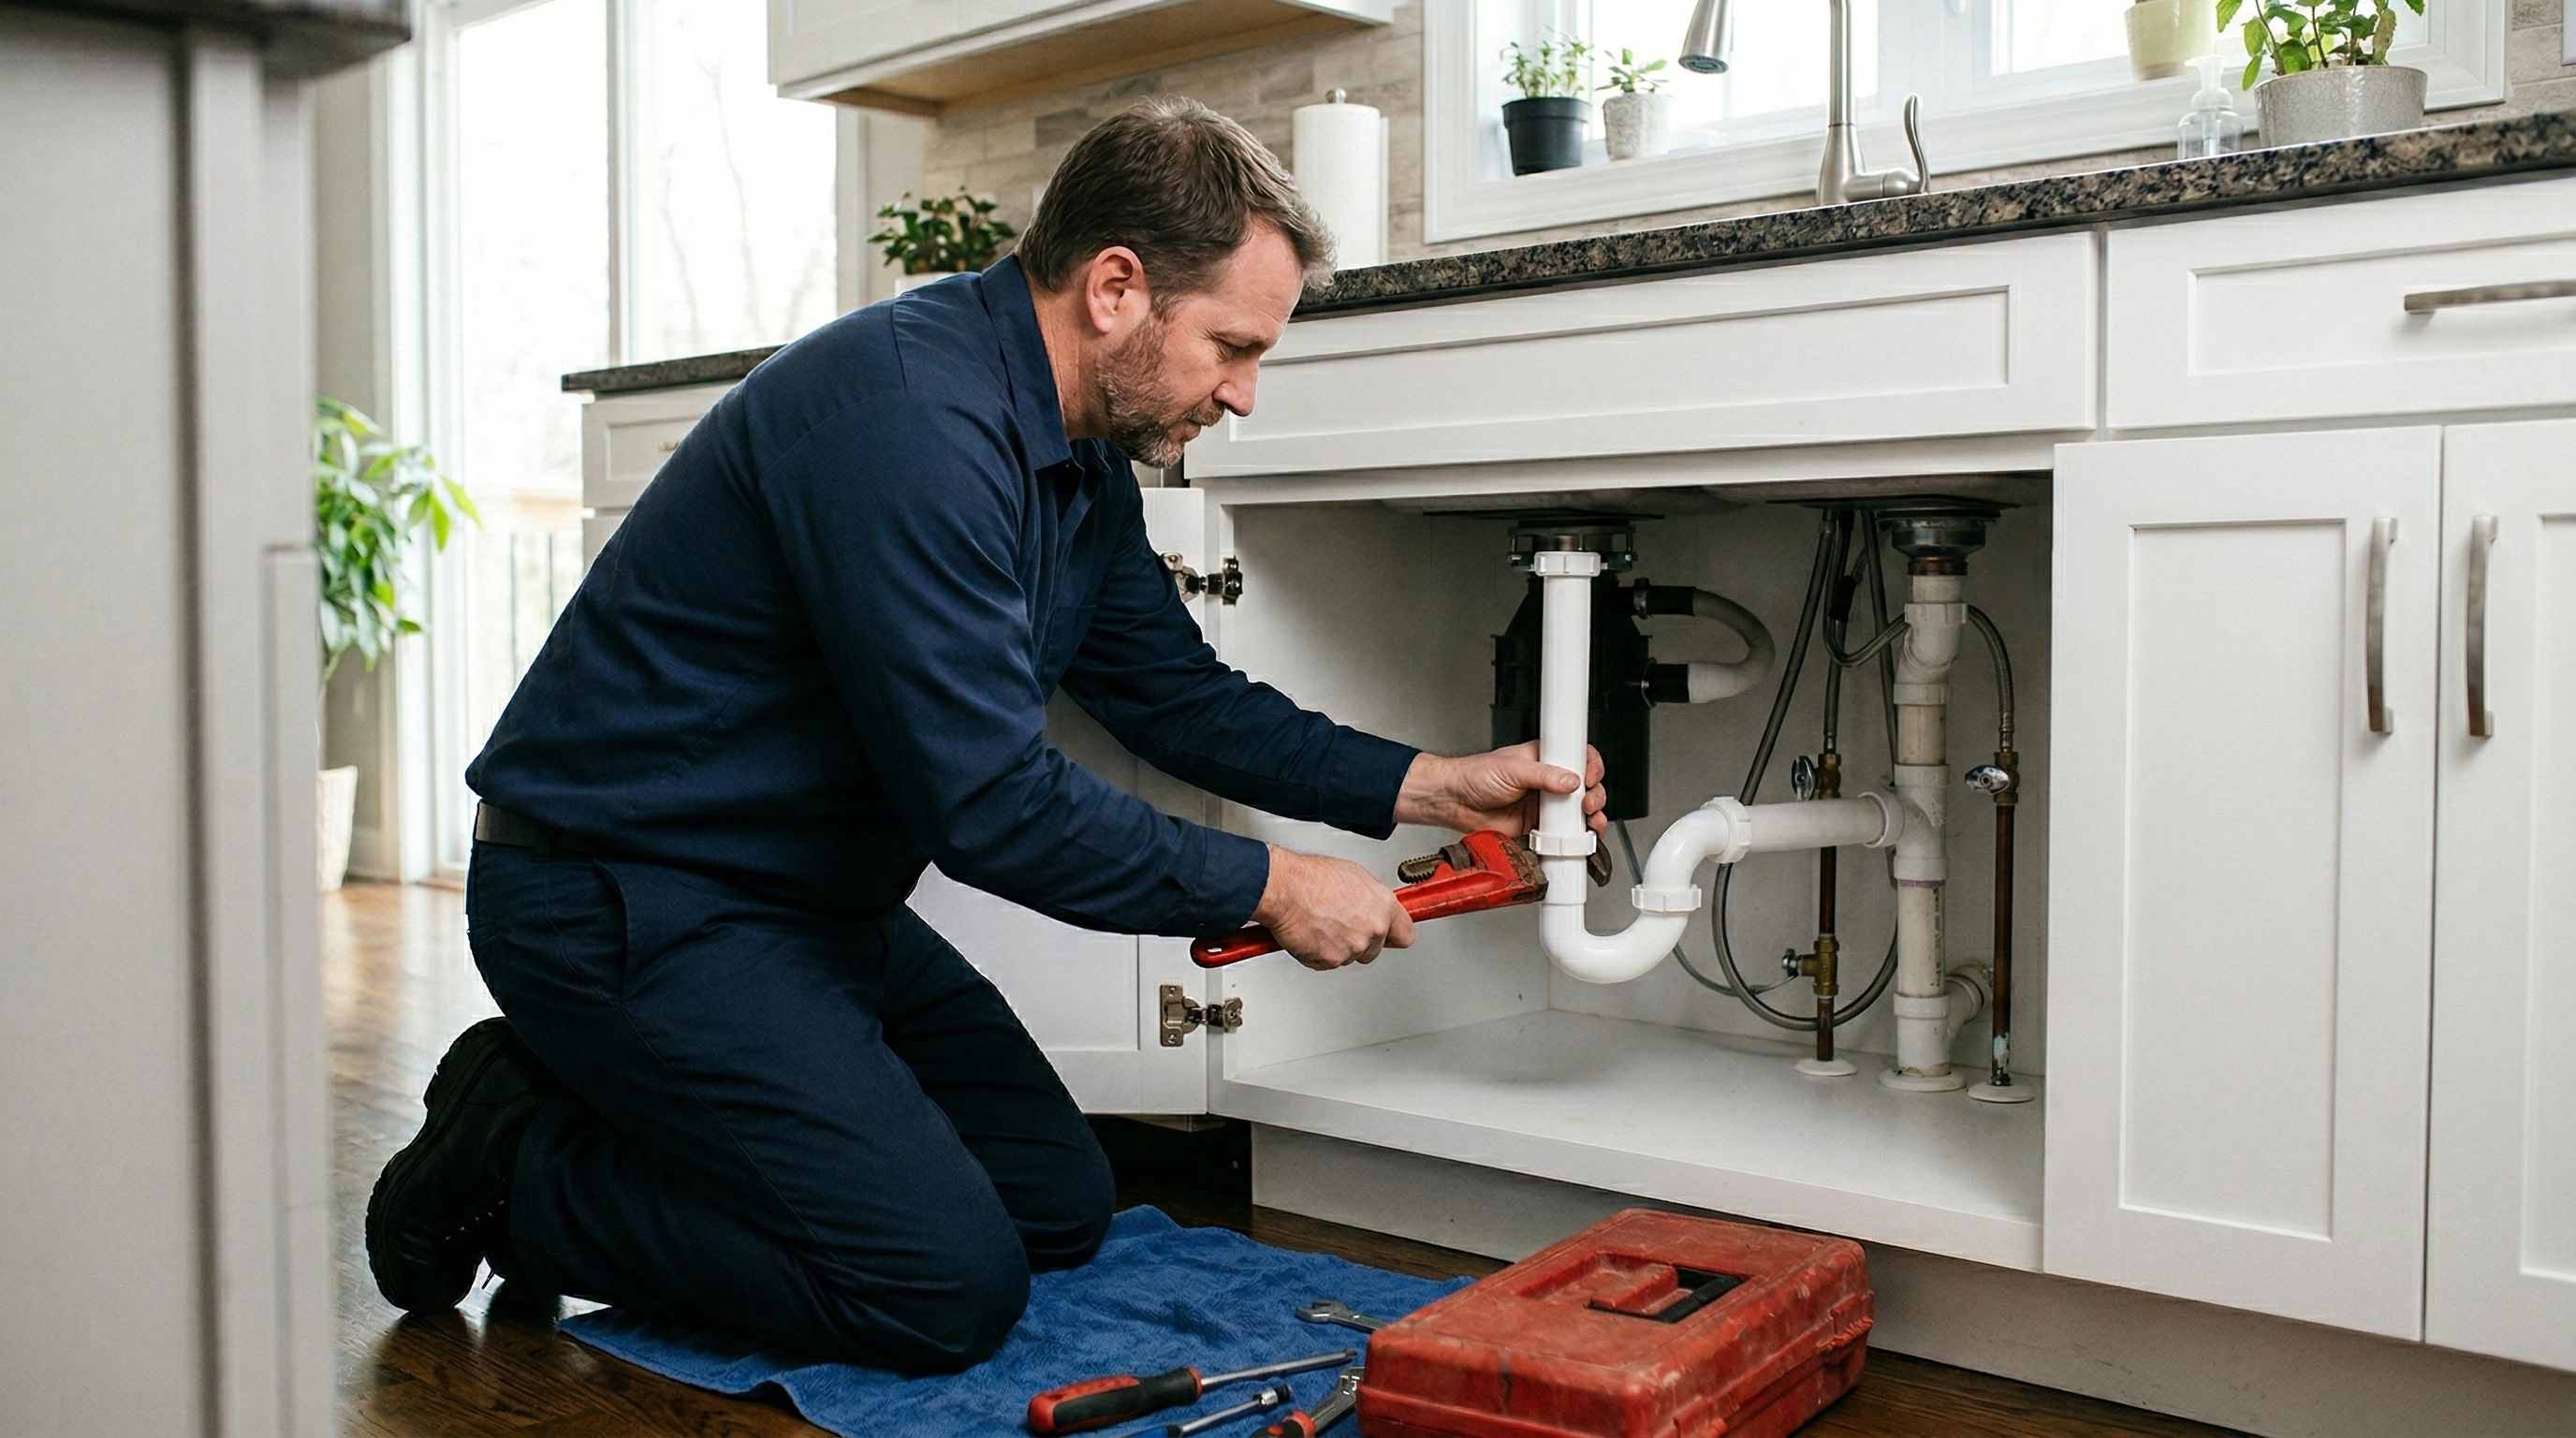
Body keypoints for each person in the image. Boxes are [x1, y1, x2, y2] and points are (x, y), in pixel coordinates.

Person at [365, 96, 1607, 1372]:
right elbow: (993, 805)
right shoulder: (905, 423)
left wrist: (1434, 784)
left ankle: (641, 1107)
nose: (1243, 394)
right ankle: (513, 1158)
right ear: (1117, 288)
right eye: (1233, 346)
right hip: (620, 900)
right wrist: (1274, 883)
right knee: (938, 1291)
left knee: (1053, 1204)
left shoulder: (1079, 461)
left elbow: (1175, 695)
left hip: (807, 911)